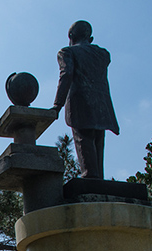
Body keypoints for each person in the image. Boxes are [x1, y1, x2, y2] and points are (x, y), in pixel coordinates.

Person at [52, 20, 119, 179]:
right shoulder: (103, 54)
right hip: (102, 105)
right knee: (98, 141)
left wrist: (57, 105)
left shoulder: (67, 52)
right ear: (90, 37)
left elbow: (66, 75)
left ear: (70, 36)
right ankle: (97, 178)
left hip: (80, 103)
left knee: (83, 139)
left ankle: (90, 176)